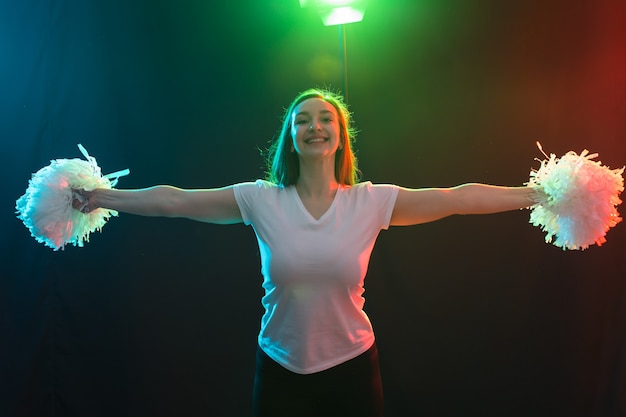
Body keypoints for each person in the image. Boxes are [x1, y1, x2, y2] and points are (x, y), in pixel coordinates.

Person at [73, 88, 538, 416]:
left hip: (353, 368)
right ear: (291, 137)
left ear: (340, 135)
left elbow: (457, 197)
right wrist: (99, 196)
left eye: (324, 119)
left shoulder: (371, 201)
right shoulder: (260, 199)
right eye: (302, 120)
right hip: (279, 367)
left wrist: (539, 195)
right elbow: (175, 200)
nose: (314, 126)